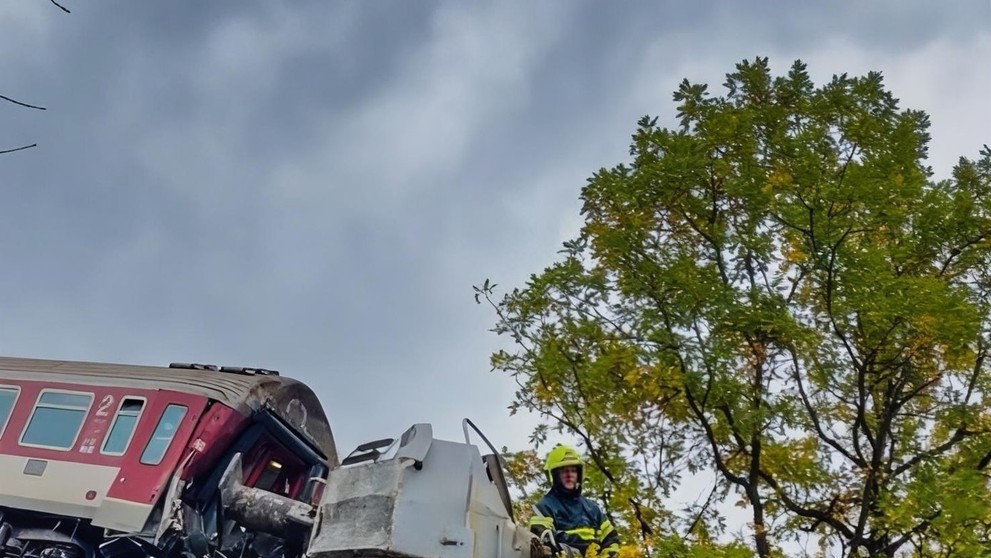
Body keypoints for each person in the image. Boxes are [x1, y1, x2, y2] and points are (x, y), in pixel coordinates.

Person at [528, 445, 620, 558]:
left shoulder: (593, 508)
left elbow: (611, 540)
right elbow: (542, 545)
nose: (569, 475)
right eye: (564, 471)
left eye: (573, 470)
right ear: (555, 475)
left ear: (579, 474)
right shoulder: (544, 507)